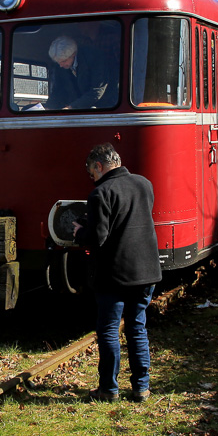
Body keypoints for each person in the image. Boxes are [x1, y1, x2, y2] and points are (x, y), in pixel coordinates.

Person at [72, 143, 162, 402]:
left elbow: (98, 237)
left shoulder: (101, 193)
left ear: (99, 166)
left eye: (92, 172)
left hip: (114, 274)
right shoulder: (144, 184)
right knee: (137, 327)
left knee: (109, 330)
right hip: (146, 270)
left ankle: (108, 389)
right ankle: (141, 388)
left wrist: (80, 233)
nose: (92, 178)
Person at [45, 35, 114, 110]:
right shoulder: (60, 66)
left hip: (104, 108)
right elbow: (57, 91)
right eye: (58, 62)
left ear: (74, 54)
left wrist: (72, 107)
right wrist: (48, 107)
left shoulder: (95, 58)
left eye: (64, 61)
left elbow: (97, 90)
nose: (61, 65)